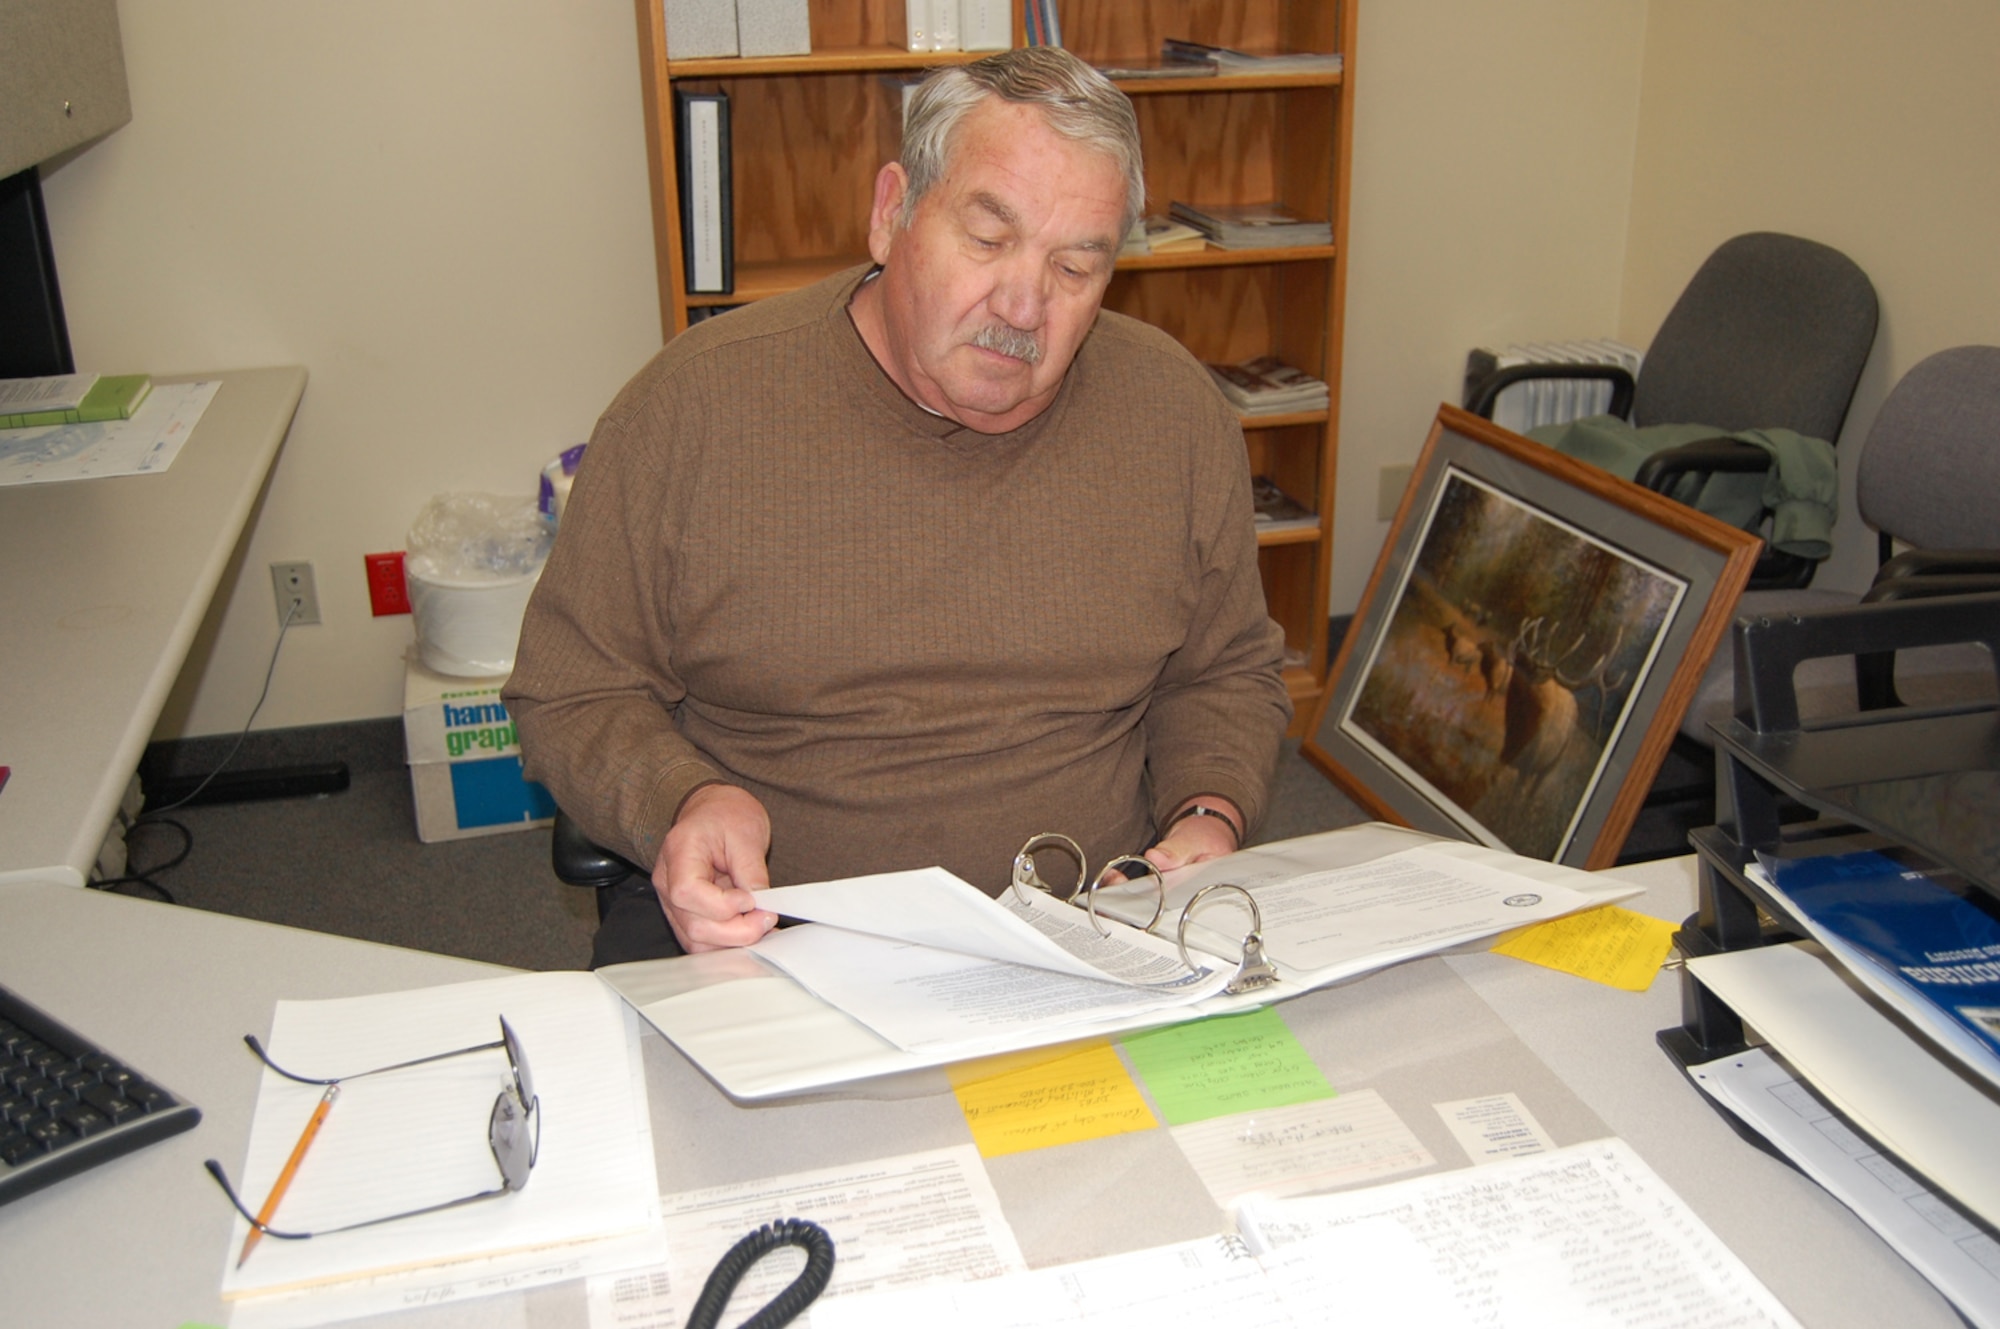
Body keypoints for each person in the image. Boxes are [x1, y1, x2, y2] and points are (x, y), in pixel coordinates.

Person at [504, 46, 1292, 965]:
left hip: (1090, 926)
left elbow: (1225, 668)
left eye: (1076, 266)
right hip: (779, 931)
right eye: (988, 238)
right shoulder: (695, 409)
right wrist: (681, 799)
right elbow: (572, 683)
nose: (1025, 303)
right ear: (892, 214)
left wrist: (1206, 814)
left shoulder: (1171, 412)